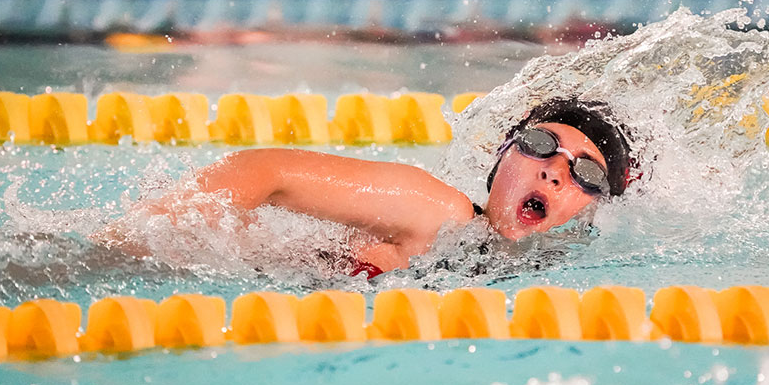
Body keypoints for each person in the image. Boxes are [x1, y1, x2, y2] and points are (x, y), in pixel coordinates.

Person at [101, 99, 632, 276]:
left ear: (591, 209)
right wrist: (160, 226)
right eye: (540, 144)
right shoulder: (439, 212)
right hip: (142, 263)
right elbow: (268, 171)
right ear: (501, 159)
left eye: (586, 174)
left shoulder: (544, 270)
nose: (556, 170)